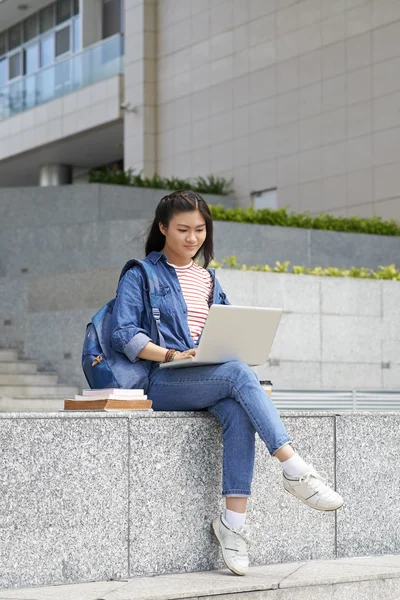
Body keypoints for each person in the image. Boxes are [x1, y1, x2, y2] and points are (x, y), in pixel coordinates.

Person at [110, 190, 344, 576]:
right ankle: (295, 470)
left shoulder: (208, 279)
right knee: (238, 373)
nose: (192, 238)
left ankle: (232, 527)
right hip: (162, 381)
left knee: (238, 407)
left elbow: (227, 333)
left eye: (200, 230)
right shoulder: (141, 273)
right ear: (162, 228)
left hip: (207, 376)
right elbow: (123, 334)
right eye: (183, 229)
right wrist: (171, 354)